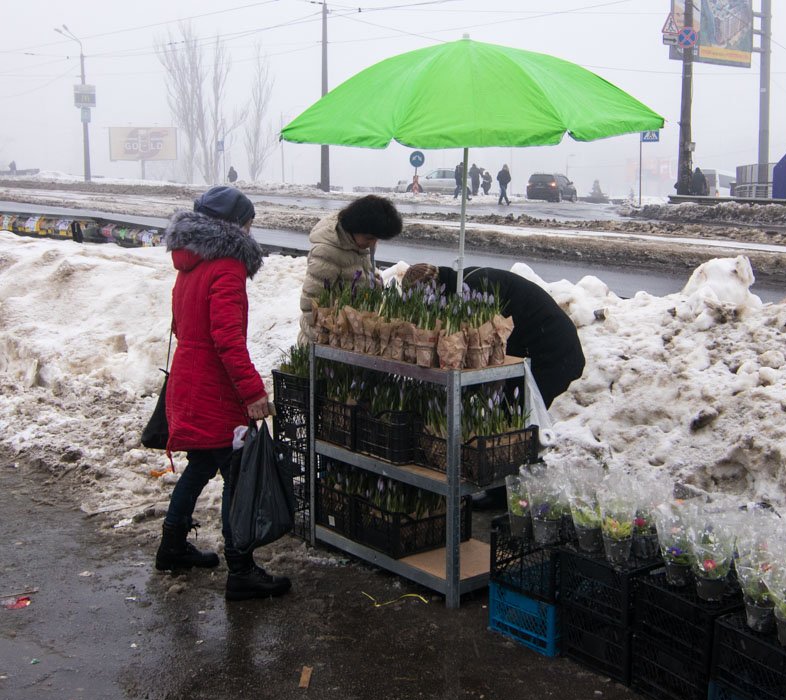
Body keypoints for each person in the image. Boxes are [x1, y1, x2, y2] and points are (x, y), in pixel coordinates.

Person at [157, 186, 290, 601]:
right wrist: (252, 392)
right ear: (236, 224)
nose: (253, 228)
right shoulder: (228, 265)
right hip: (215, 389)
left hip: (189, 379)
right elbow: (228, 339)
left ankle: (172, 546)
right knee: (237, 472)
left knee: (199, 465)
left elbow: (183, 327)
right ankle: (241, 568)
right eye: (249, 221)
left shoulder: (189, 262)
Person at [401, 264, 584, 408]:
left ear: (432, 291)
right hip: (532, 346)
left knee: (520, 415)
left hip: (554, 351)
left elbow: (482, 348)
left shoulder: (473, 289)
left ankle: (524, 453)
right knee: (510, 409)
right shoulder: (461, 284)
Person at [298, 194, 403, 344]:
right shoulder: (327, 252)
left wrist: (373, 281)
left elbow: (357, 272)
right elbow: (310, 305)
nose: (373, 243)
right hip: (325, 341)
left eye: (376, 238)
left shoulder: (358, 244)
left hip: (350, 335)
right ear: (354, 228)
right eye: (369, 238)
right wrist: (329, 335)